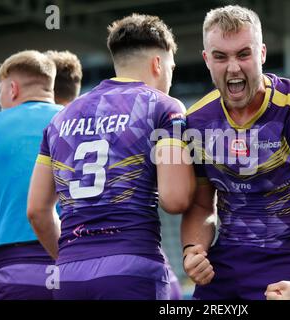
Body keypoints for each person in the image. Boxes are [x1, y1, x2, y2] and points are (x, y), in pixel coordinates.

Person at [181, 5, 290, 300]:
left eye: (243, 54)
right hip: (225, 269)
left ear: (261, 54)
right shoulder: (196, 121)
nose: (233, 67)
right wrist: (192, 250)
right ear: (207, 60)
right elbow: (200, 208)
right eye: (221, 56)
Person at [27, 13, 195, 300]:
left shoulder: (60, 119)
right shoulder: (164, 107)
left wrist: (72, 256)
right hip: (132, 268)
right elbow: (175, 198)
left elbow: (36, 210)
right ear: (158, 63)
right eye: (171, 67)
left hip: (70, 274)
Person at [0, 50, 62, 299]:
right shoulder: (72, 120)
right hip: (74, 260)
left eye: (1, 91)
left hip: (13, 268)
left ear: (12, 88)